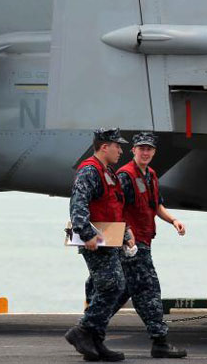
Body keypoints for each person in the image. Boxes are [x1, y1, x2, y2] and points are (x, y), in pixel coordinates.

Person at [116, 131, 187, 359]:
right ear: (133, 150)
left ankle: (87, 330)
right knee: (149, 289)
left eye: (149, 149)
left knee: (120, 291)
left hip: (144, 240)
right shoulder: (125, 175)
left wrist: (173, 220)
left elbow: (156, 205)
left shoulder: (151, 175)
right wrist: (126, 234)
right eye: (141, 148)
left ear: (154, 152)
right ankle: (160, 341)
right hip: (132, 243)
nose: (145, 152)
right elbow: (116, 209)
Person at [65, 128, 132, 362]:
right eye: (117, 146)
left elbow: (115, 207)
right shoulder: (89, 171)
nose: (120, 151)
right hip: (96, 240)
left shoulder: (107, 172)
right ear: (104, 147)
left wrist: (126, 233)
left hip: (110, 238)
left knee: (111, 287)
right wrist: (86, 234)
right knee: (114, 286)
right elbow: (78, 204)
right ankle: (83, 330)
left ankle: (95, 340)